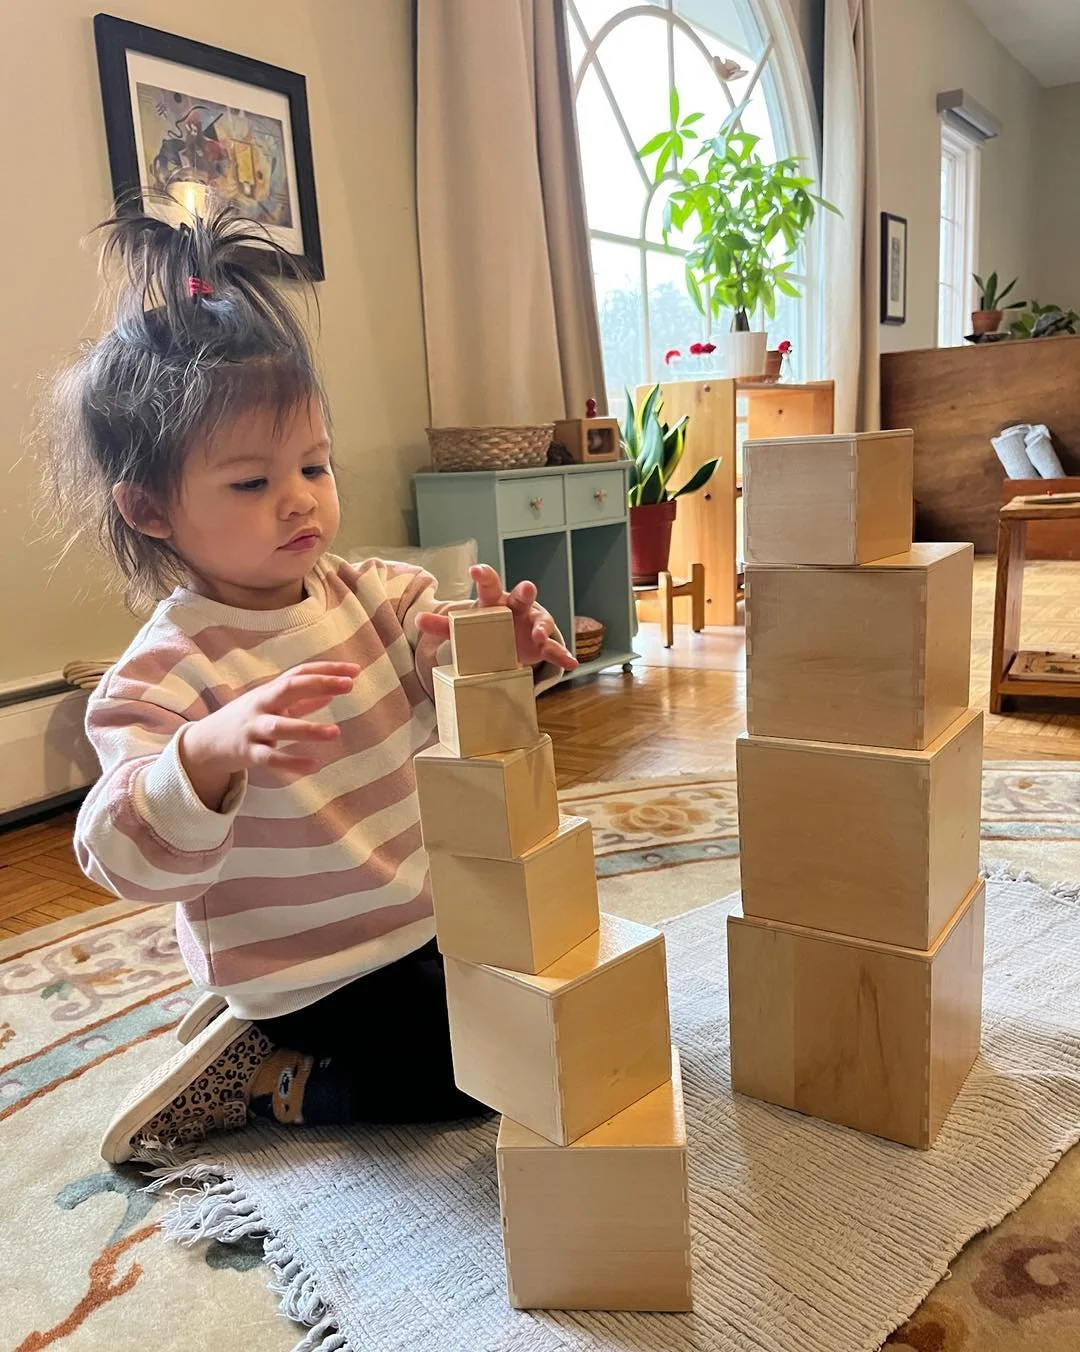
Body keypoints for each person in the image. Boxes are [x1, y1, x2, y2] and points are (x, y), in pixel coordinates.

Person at [45, 202, 576, 1163]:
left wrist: (498, 645)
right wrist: (201, 758)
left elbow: (439, 662)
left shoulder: (381, 594)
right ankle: (259, 1076)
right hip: (303, 970)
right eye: (250, 484)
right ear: (150, 509)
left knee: (549, 1002)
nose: (299, 497)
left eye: (315, 464)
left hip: (419, 916)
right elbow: (117, 854)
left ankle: (306, 1043)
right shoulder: (161, 679)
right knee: (469, 1077)